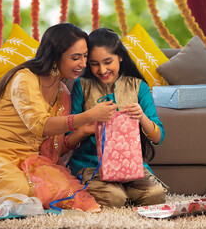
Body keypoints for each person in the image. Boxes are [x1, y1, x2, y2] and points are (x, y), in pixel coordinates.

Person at [0, 23, 118, 212]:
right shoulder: (24, 79)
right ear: (54, 56)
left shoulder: (63, 92)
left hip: (30, 159)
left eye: (85, 56)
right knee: (20, 197)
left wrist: (82, 132)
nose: (83, 64)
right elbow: (40, 125)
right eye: (75, 57)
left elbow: (52, 149)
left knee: (68, 195)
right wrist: (87, 116)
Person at [68, 28, 168, 208]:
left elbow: (158, 138)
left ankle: (125, 191)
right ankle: (122, 195)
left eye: (108, 62)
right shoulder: (81, 86)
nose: (102, 70)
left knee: (156, 195)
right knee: (115, 198)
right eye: (94, 64)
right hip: (90, 164)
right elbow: (68, 137)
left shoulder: (138, 86)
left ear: (120, 57)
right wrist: (87, 128)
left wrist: (141, 117)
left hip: (130, 166)